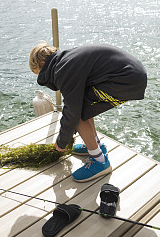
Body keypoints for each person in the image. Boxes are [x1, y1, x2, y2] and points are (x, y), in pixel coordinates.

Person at [29, 42, 147, 182]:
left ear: (43, 63)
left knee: (76, 112)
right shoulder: (67, 60)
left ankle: (99, 161)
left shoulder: (63, 69)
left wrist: (62, 142)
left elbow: (72, 111)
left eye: (41, 74)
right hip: (132, 75)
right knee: (83, 105)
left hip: (126, 79)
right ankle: (95, 146)